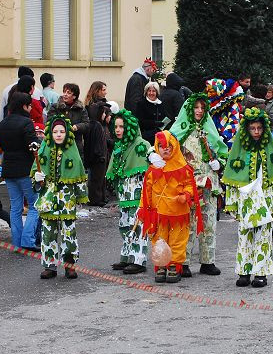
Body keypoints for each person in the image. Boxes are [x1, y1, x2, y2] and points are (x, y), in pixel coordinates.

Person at [222, 108, 273, 288]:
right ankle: (244, 271)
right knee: (244, 235)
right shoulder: (239, 150)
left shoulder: (270, 149)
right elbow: (232, 179)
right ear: (247, 130)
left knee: (264, 236)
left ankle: (261, 273)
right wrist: (233, 203)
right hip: (246, 198)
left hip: (265, 197)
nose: (257, 132)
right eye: (253, 128)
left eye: (259, 128)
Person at [169, 91, 227, 277]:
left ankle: (207, 261)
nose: (199, 111)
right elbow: (165, 146)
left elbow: (221, 150)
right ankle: (183, 262)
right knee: (188, 224)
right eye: (196, 107)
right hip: (187, 184)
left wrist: (220, 163)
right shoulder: (180, 129)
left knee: (209, 222)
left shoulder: (209, 129)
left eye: (202, 107)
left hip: (208, 183)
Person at [139, 131, 202, 284]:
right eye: (161, 146)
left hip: (178, 213)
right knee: (159, 240)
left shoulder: (183, 168)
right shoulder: (154, 169)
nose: (165, 149)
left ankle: (174, 265)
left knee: (177, 240)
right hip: (158, 213)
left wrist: (185, 196)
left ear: (174, 146)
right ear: (156, 148)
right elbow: (146, 191)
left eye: (168, 146)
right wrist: (143, 208)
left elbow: (189, 185)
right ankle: (161, 265)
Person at [33, 115, 89, 279]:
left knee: (68, 232)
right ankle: (49, 265)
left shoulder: (72, 151)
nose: (58, 134)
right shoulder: (44, 149)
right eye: (55, 131)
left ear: (67, 133)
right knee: (48, 232)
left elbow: (79, 173)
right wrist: (37, 178)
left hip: (67, 200)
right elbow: (36, 173)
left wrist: (80, 196)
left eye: (62, 131)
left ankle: (69, 265)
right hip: (48, 199)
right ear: (50, 133)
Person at [107, 110, 150, 275]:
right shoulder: (119, 146)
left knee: (137, 225)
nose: (118, 130)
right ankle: (126, 256)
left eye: (122, 127)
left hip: (137, 195)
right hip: (124, 194)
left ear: (130, 127)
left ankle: (138, 259)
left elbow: (148, 172)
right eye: (116, 127)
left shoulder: (141, 145)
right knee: (125, 225)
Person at [0, 91, 41, 252]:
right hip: (25, 170)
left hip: (8, 169)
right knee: (34, 205)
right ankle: (28, 240)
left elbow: (3, 146)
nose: (31, 108)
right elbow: (33, 146)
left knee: (15, 207)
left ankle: (16, 242)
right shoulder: (26, 123)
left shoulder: (3, 124)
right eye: (29, 105)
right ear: (24, 106)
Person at [84, 81, 112, 206]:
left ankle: (101, 197)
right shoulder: (95, 110)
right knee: (96, 175)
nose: (106, 92)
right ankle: (96, 198)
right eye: (104, 89)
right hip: (97, 148)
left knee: (100, 174)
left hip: (100, 147)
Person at [54, 83, 90, 160]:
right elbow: (50, 121)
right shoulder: (56, 107)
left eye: (68, 93)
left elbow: (87, 124)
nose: (65, 95)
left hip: (75, 144)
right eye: (64, 92)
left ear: (74, 96)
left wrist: (77, 127)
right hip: (58, 143)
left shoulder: (81, 109)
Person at [208, 78, 245, 148]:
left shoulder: (233, 105)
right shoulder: (214, 108)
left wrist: (224, 136)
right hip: (215, 140)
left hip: (229, 141)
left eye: (212, 92)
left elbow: (234, 123)